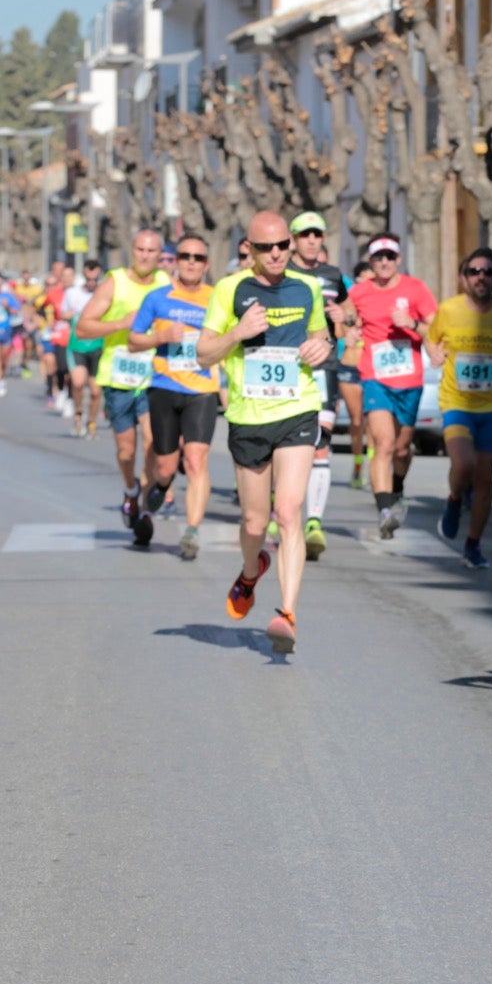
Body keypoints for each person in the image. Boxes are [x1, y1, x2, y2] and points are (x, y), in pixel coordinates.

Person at [196, 211, 332, 654]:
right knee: (255, 520)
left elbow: (323, 339)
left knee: (289, 512)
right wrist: (239, 330)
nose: (276, 254)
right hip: (248, 416)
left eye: (282, 247)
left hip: (298, 408)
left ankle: (287, 612)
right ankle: (251, 570)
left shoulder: (306, 287)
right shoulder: (229, 290)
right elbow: (203, 354)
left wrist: (321, 348)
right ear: (250, 251)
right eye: (265, 248)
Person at [426, 247, 492, 568]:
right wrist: (434, 353)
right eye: (474, 272)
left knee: (485, 479)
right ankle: (454, 499)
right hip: (456, 402)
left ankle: (473, 544)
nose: (481, 277)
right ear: (463, 277)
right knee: (464, 464)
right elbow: (430, 339)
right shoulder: (449, 310)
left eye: (488, 272)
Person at [127, 234, 220, 561]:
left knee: (196, 460)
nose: (191, 262)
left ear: (206, 264)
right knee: (164, 467)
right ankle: (161, 488)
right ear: (176, 261)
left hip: (203, 390)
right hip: (165, 387)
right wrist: (162, 336)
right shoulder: (158, 297)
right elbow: (133, 340)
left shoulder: (218, 298)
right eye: (185, 256)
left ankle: (192, 530)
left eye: (198, 257)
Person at [77, 230, 172, 547]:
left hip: (154, 377)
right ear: (132, 251)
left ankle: (145, 508)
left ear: (160, 255)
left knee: (154, 442)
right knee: (126, 450)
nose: (145, 255)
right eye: (140, 249)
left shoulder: (166, 284)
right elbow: (84, 326)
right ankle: (130, 488)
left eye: (152, 250)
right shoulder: (115, 281)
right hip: (118, 377)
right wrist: (121, 323)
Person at [346, 235, 437, 538]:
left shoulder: (415, 289)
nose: (384, 262)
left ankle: (396, 487)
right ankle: (384, 508)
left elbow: (436, 329)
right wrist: (348, 328)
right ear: (371, 262)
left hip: (409, 381)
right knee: (383, 443)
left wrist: (411, 324)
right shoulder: (360, 291)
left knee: (401, 449)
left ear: (398, 259)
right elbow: (345, 317)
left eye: (389, 256)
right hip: (374, 377)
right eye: (378, 257)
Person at [288, 211, 350, 561]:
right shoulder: (284, 273)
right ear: (294, 238)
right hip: (288, 365)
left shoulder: (333, 275)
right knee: (285, 440)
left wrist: (346, 316)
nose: (312, 240)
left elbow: (349, 308)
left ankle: (313, 522)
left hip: (324, 365)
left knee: (320, 441)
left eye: (317, 235)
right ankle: (277, 509)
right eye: (305, 234)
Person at [339, 259, 372, 489]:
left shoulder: (381, 306)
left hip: (372, 368)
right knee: (357, 420)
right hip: (350, 368)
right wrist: (348, 326)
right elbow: (339, 331)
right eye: (362, 280)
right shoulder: (349, 305)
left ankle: (374, 466)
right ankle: (358, 463)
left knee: (374, 421)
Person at [64, 260, 106, 438]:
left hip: (98, 347)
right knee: (78, 383)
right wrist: (72, 314)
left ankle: (92, 422)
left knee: (96, 391)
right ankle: (78, 414)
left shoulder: (105, 294)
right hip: (77, 346)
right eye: (88, 278)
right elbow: (63, 314)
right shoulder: (73, 293)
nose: (91, 282)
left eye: (95, 279)